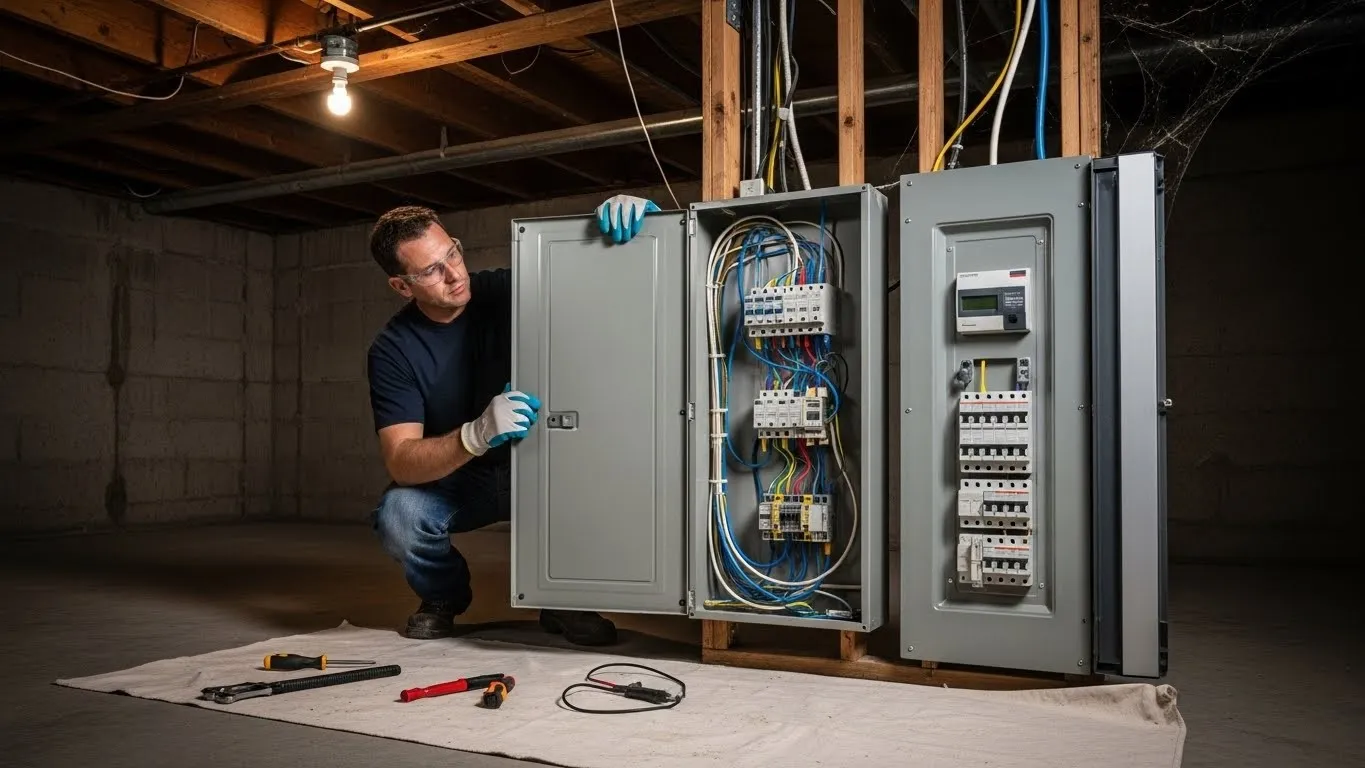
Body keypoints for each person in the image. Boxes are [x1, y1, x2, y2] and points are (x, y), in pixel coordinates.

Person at [365, 194, 660, 644]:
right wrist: (475, 435)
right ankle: (443, 597)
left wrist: (635, 234)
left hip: (542, 464)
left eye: (453, 253)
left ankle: (564, 597)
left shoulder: (507, 289)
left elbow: (597, 283)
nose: (455, 274)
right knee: (399, 514)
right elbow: (402, 461)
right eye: (431, 271)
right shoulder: (393, 350)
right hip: (464, 481)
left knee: (622, 473)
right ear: (402, 286)